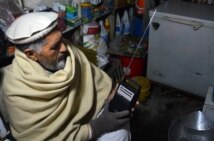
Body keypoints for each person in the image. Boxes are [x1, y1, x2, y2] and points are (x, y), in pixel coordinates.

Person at [2, 12, 132, 141]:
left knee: (121, 131)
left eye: (61, 39)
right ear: (31, 54)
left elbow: (96, 82)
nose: (64, 48)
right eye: (55, 46)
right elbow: (42, 137)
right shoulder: (15, 88)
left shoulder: (70, 53)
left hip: (88, 119)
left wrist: (109, 97)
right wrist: (98, 126)